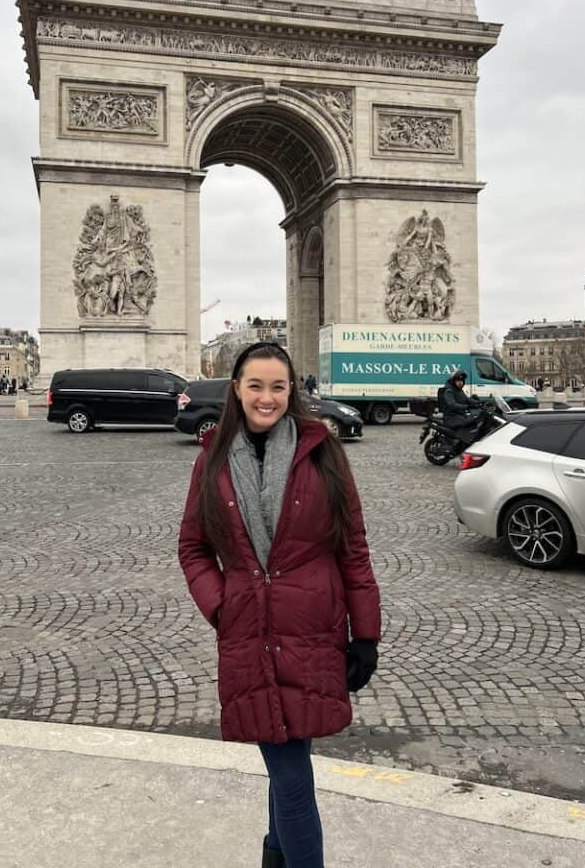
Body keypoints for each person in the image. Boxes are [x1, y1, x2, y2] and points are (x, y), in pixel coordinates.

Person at [178, 341, 381, 868]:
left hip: (313, 632)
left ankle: (274, 856)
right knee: (292, 779)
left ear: (293, 391)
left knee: (288, 764)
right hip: (251, 631)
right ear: (236, 390)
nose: (266, 397)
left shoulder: (325, 454)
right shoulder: (213, 460)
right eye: (255, 385)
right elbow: (193, 547)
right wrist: (221, 605)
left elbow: (352, 548)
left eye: (278, 386)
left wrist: (366, 635)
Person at [441, 370, 483, 443]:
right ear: (453, 381)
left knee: (475, 419)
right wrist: (466, 407)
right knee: (471, 422)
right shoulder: (448, 390)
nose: (460, 382)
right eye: (458, 380)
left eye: (462, 380)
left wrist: (479, 403)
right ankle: (463, 442)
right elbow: (452, 405)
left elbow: (467, 399)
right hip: (451, 417)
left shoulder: (459, 390)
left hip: (459, 416)